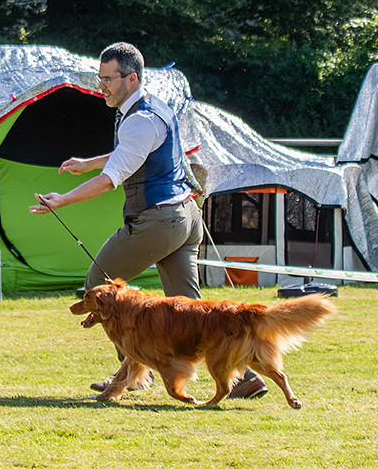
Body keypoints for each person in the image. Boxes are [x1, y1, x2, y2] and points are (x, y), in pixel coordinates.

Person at [29, 42, 267, 399]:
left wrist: (62, 200)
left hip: (158, 220)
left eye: (108, 79)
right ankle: (244, 376)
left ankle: (133, 374)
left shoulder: (138, 119)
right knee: (189, 308)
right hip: (185, 217)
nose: (101, 86)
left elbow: (113, 178)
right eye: (100, 77)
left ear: (131, 78)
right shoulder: (153, 107)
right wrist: (89, 162)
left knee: (102, 287)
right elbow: (132, 153)